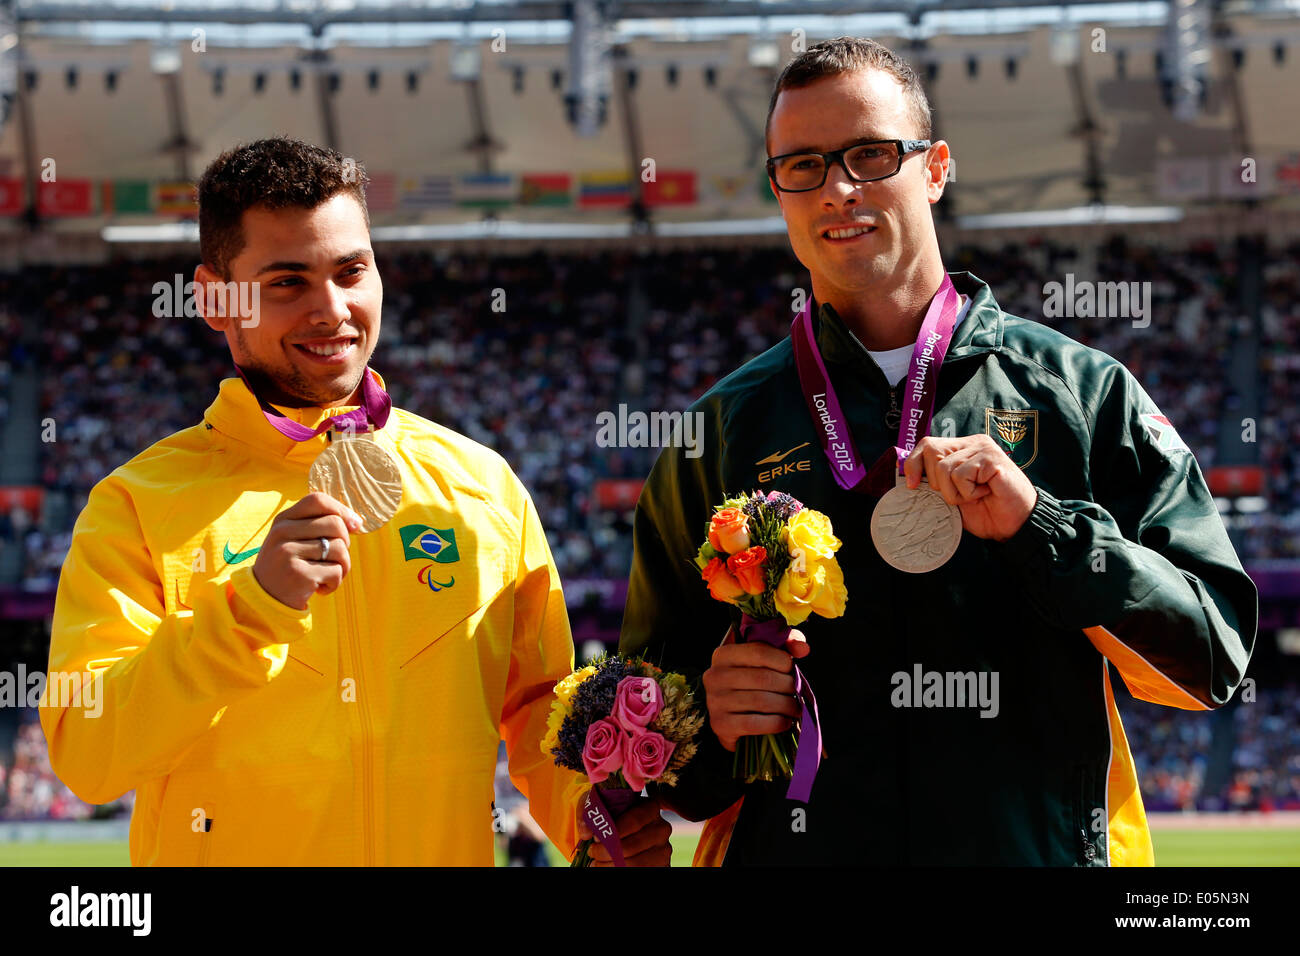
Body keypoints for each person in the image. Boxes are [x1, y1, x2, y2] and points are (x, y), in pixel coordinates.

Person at [618, 37, 1257, 865]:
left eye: (870, 154)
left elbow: (1213, 659)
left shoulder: (1083, 394)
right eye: (801, 165)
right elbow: (656, 766)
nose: (837, 188)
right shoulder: (718, 436)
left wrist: (1046, 530)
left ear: (936, 167)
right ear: (778, 189)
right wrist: (711, 724)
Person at [39, 136, 668, 865]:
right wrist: (248, 610)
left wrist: (593, 820)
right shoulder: (138, 505)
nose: (331, 310)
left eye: (351, 271)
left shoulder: (482, 485)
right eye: (286, 282)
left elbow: (539, 712)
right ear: (214, 298)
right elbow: (88, 757)